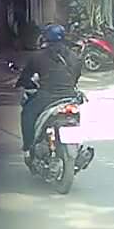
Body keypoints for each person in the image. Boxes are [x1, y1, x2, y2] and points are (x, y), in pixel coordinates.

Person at [15, 23, 82, 153]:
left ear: (45, 38)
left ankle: (28, 145)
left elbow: (25, 77)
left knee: (27, 113)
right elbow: (76, 76)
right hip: (70, 97)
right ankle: (77, 147)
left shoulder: (38, 57)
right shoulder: (74, 56)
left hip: (47, 97)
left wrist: (23, 83)